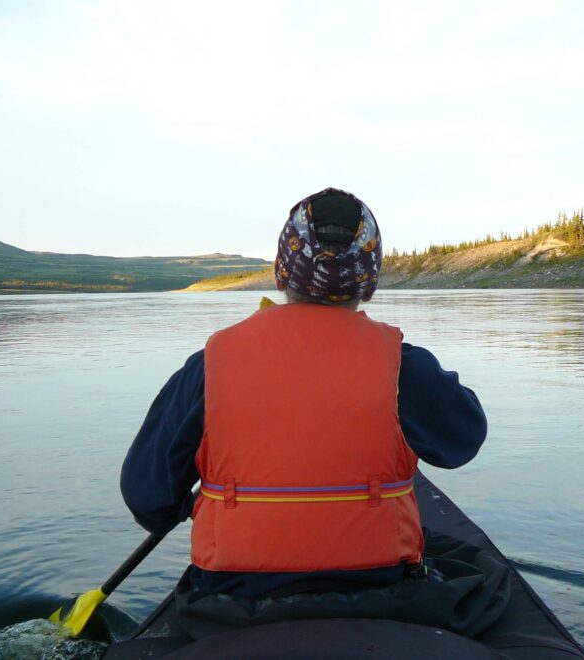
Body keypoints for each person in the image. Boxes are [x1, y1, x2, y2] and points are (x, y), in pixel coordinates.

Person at [121, 188, 497, 636]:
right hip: (381, 587)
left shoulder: (210, 365)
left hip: (231, 596)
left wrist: (192, 503)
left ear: (283, 274)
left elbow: (147, 498)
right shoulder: (404, 364)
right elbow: (463, 441)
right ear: (368, 282)